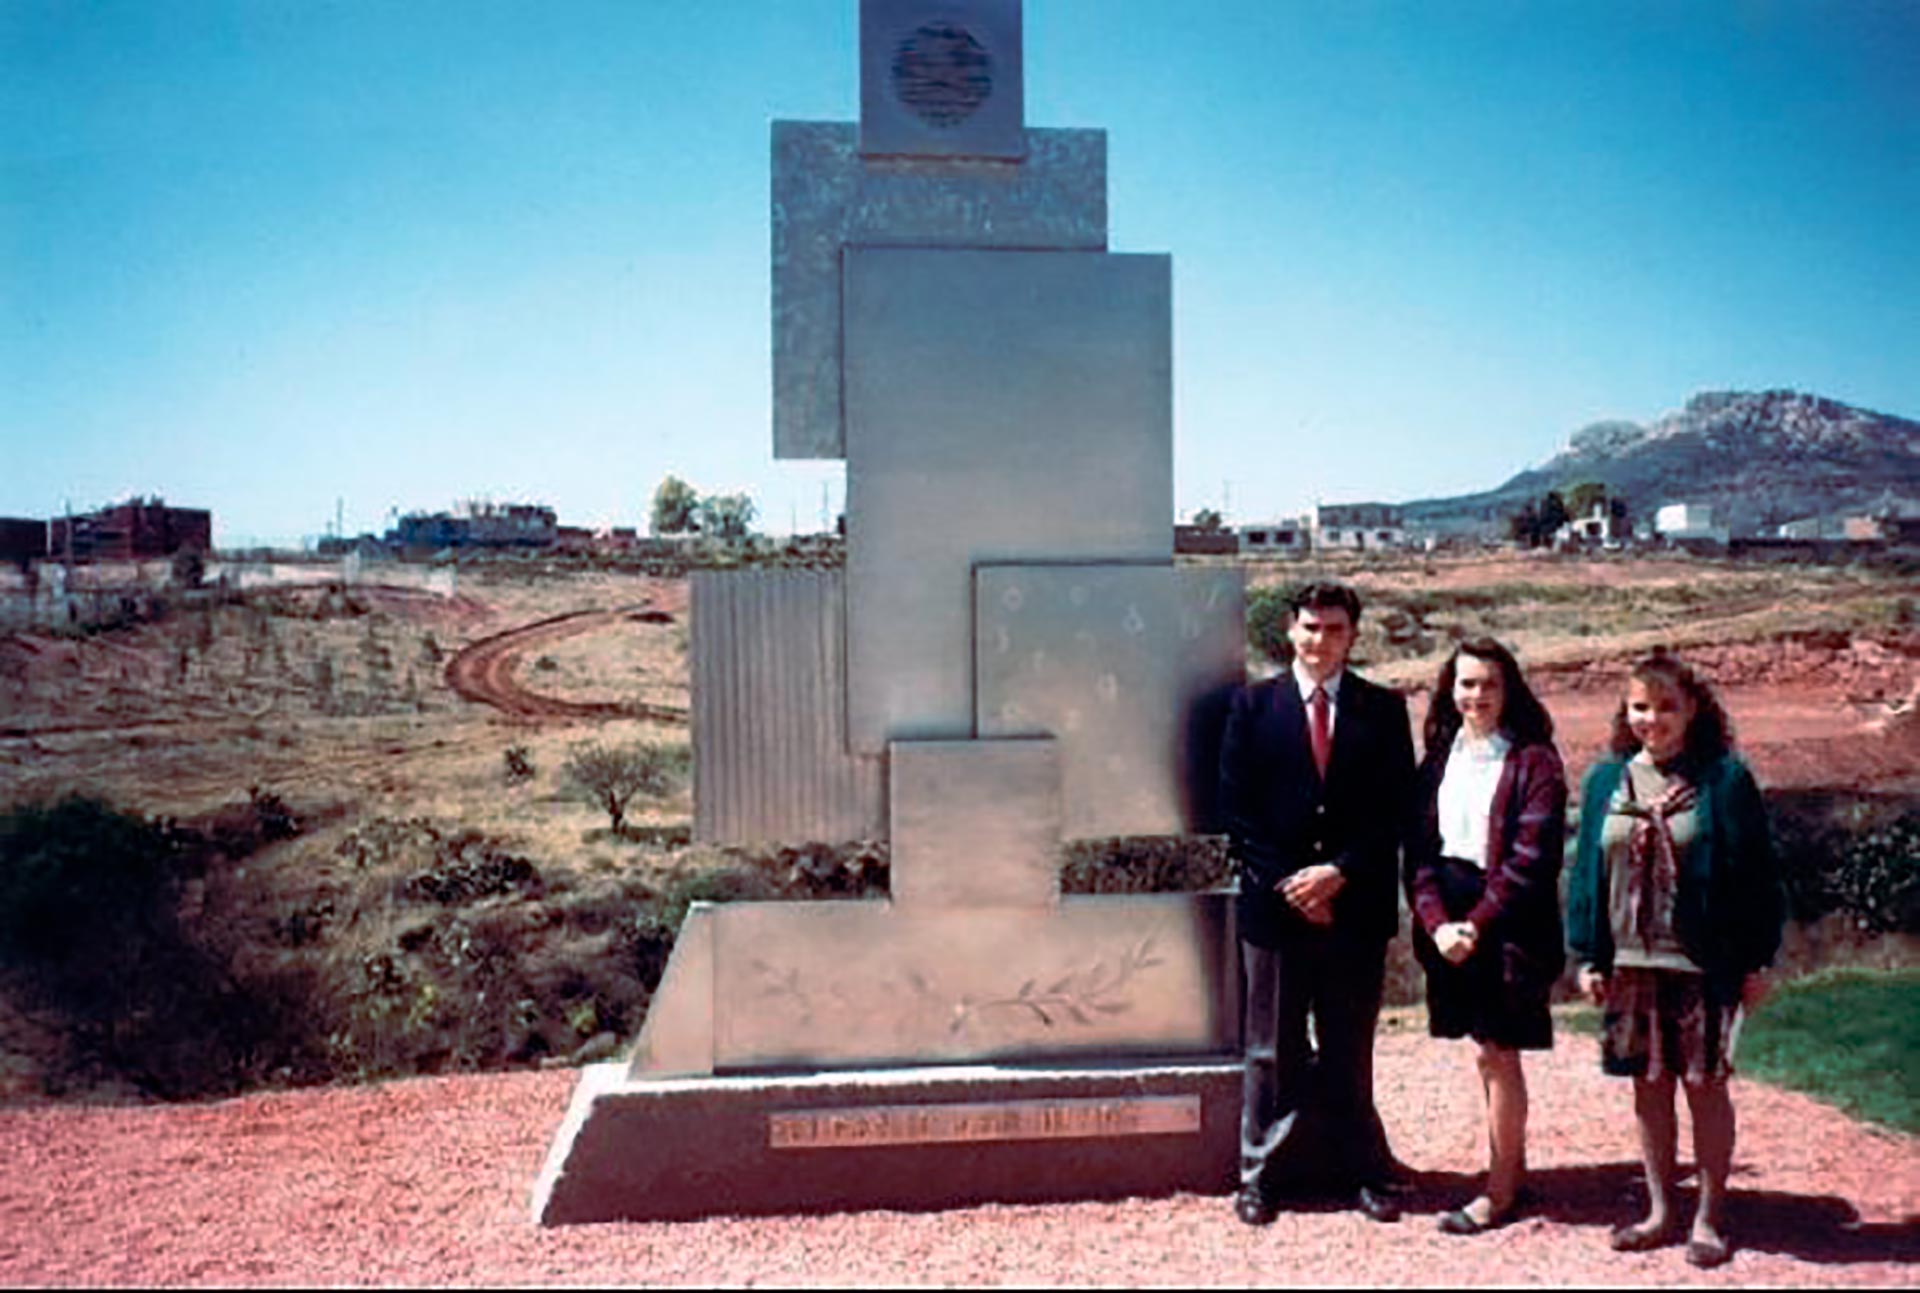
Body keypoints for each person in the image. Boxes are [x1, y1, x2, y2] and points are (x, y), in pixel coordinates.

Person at [1567, 652, 1784, 1269]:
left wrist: (1758, 961)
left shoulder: (1724, 780)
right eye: (1640, 706)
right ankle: (1661, 1212)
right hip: (1631, 961)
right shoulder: (1605, 781)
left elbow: (1757, 878)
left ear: (1693, 711)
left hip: (1703, 962)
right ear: (1625, 710)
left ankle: (1710, 1217)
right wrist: (1589, 955)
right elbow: (1587, 872)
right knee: (1648, 1088)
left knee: (1704, 1086)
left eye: (1666, 707)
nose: (1652, 719)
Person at [1219, 580, 1415, 1225]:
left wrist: (1337, 874)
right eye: (1309, 627)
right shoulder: (1252, 707)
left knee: (1348, 1044)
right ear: (1289, 632)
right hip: (1274, 914)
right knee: (1269, 1047)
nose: (1319, 640)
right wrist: (1294, 886)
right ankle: (1261, 1176)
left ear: (1352, 636)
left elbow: (1395, 812)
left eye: (1333, 629)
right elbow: (1237, 812)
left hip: (1354, 911)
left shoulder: (1383, 712)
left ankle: (1362, 1171)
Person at [1404, 638, 1566, 1235]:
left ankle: (1499, 1193)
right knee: (1486, 1053)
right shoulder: (1437, 760)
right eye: (1467, 684)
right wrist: (1436, 923)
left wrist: (1475, 925)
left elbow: (1529, 860)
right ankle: (1510, 1168)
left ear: (1509, 690)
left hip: (1509, 927)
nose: (1477, 696)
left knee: (1500, 1055)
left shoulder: (1535, 761)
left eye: (1489, 684)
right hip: (1449, 922)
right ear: (1451, 689)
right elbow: (1419, 853)